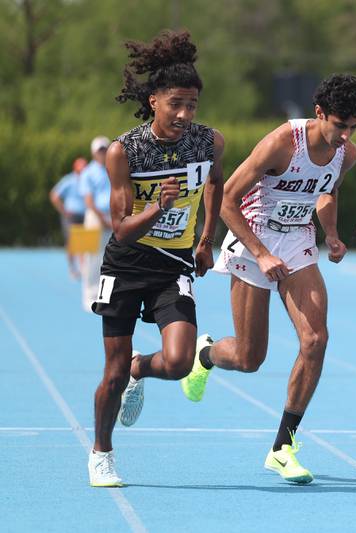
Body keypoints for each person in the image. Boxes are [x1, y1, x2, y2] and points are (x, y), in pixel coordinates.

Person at [179, 74, 356, 484]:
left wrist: (333, 235)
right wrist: (263, 254)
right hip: (254, 239)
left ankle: (282, 447)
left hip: (299, 239)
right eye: (340, 125)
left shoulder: (346, 153)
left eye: (354, 127)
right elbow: (229, 198)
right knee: (250, 359)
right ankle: (207, 355)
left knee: (316, 340)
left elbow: (326, 193)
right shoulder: (283, 143)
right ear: (320, 114)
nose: (346, 136)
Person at [88, 30, 224, 487]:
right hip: (126, 266)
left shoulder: (208, 142)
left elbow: (215, 184)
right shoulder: (124, 151)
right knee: (109, 371)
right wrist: (157, 208)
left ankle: (139, 369)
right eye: (176, 104)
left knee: (182, 362)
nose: (185, 114)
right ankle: (102, 452)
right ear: (153, 101)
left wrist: (206, 237)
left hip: (174, 265)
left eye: (193, 105)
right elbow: (121, 229)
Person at [79, 136, 112, 311]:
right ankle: (89, 297)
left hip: (111, 216)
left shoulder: (112, 169)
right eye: (100, 150)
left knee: (109, 258)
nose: (102, 153)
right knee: (91, 257)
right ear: (93, 153)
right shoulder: (88, 172)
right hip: (94, 217)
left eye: (104, 150)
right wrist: (102, 219)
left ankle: (104, 296)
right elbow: (89, 200)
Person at [50, 157, 88, 278]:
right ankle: (72, 268)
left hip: (85, 215)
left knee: (83, 242)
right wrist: (63, 211)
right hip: (71, 215)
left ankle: (83, 268)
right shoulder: (69, 180)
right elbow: (54, 195)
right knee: (72, 242)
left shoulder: (87, 180)